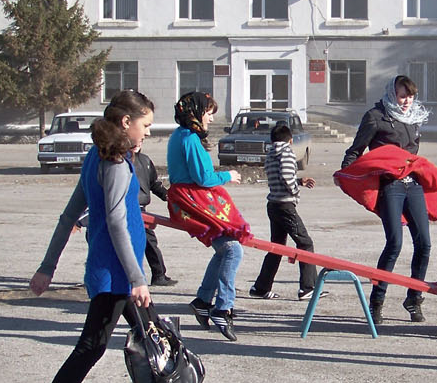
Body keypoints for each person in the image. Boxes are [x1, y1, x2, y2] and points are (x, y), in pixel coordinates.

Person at [23, 90, 228, 383]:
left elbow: (69, 216)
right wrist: (137, 278)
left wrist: (47, 267)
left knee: (155, 341)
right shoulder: (116, 164)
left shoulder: (95, 158)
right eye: (145, 125)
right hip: (117, 276)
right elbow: (117, 221)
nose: (149, 132)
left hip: (115, 272)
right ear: (125, 123)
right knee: (92, 349)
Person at [340, 75, 432, 324]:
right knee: (394, 243)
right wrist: (346, 175)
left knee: (424, 243)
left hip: (412, 185)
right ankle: (377, 301)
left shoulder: (413, 118)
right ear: (392, 93)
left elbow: (414, 153)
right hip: (390, 186)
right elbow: (356, 150)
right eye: (402, 96)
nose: (406, 101)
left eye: (410, 96)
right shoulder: (375, 116)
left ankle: (414, 299)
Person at [168, 91, 243, 341]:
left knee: (226, 250)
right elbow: (204, 178)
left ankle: (203, 300)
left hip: (187, 198)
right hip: (193, 199)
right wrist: (228, 176)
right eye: (208, 113)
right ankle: (223, 308)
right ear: (197, 112)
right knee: (234, 250)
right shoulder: (189, 138)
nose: (211, 118)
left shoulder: (180, 135)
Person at [250, 121, 320, 300]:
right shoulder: (287, 153)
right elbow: (287, 177)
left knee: (277, 247)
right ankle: (308, 288)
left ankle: (261, 287)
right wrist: (295, 190)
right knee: (305, 243)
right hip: (285, 206)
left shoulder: (271, 154)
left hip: (273, 204)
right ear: (290, 140)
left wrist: (300, 181)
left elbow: (279, 177)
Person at [132, 148, 175, 287]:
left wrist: (168, 196)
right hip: (128, 209)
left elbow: (154, 183)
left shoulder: (145, 160)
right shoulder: (120, 161)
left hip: (141, 209)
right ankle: (155, 275)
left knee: (150, 242)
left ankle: (159, 274)